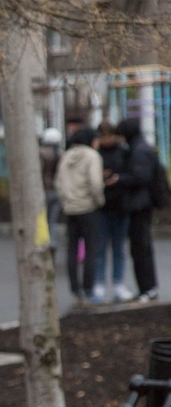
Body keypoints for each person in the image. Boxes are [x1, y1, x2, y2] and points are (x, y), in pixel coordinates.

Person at [54, 126, 105, 303]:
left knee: (71, 250)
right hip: (88, 208)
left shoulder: (66, 156)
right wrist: (99, 201)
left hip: (70, 209)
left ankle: (75, 290)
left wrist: (66, 202)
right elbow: (95, 183)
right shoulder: (92, 156)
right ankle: (88, 288)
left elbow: (58, 183)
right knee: (91, 250)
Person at [114, 117, 161, 301]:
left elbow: (141, 176)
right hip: (140, 204)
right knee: (140, 248)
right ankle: (146, 288)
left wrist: (120, 179)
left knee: (141, 248)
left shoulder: (139, 151)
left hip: (139, 205)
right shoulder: (140, 148)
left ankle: (148, 288)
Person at [93, 121, 134, 303]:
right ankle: (99, 284)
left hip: (120, 205)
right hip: (101, 207)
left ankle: (118, 283)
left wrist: (117, 178)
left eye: (108, 135)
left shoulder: (123, 152)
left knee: (119, 248)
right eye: (102, 136)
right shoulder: (95, 154)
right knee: (100, 248)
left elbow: (130, 174)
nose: (106, 139)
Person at [39, 127, 63, 257]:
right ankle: (52, 242)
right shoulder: (61, 153)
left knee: (44, 220)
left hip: (45, 190)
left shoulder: (42, 153)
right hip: (58, 190)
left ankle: (46, 243)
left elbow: (39, 172)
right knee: (52, 220)